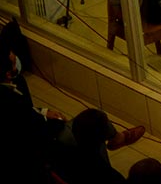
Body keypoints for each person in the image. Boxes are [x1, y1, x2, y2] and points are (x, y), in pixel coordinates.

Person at [1, 22, 145, 184]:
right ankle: (106, 161)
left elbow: (27, 112)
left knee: (92, 125)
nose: (17, 61)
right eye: (13, 61)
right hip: (43, 147)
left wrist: (42, 111)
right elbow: (26, 124)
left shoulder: (14, 83)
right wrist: (52, 121)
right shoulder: (9, 101)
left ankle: (114, 141)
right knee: (94, 124)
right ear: (7, 72)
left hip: (39, 132)